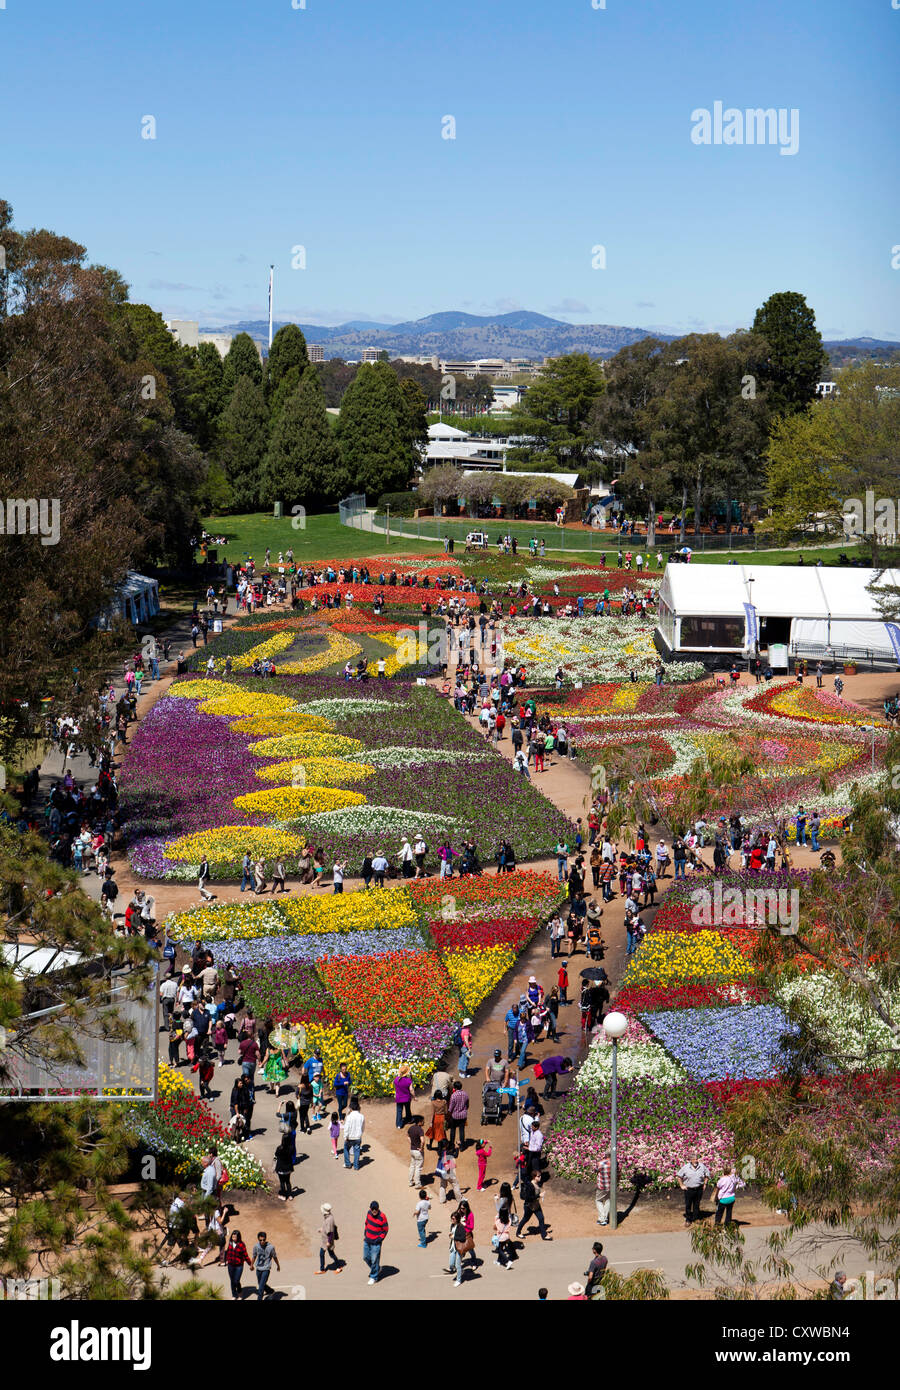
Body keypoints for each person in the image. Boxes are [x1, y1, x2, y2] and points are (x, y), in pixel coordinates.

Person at [515, 1172, 551, 1241]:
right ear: (534, 1177)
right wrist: (539, 1195)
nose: (540, 1177)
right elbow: (529, 1198)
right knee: (525, 1219)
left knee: (541, 1218)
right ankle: (518, 1232)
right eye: (538, 1176)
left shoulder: (537, 1184)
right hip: (529, 1206)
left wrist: (540, 1195)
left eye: (540, 1176)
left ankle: (544, 1235)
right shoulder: (530, 1186)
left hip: (536, 1205)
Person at [677, 1154, 710, 1226]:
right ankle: (688, 1219)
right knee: (688, 1205)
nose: (696, 1161)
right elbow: (679, 1176)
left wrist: (705, 1184)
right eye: (694, 1159)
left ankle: (696, 1218)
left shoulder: (702, 1166)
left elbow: (707, 1174)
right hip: (689, 1189)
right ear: (690, 1160)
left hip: (699, 1189)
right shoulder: (685, 1168)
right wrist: (681, 1185)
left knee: (696, 1204)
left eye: (697, 1159)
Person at [363, 1201, 389, 1285]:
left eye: (375, 1209)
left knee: (374, 1260)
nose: (374, 1211)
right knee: (365, 1257)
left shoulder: (382, 1216)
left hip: (376, 1243)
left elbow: (385, 1229)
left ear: (378, 1209)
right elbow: (366, 1223)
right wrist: (365, 1233)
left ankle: (374, 1277)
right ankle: (377, 1269)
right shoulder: (368, 1213)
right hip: (367, 1240)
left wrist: (379, 1239)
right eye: (372, 1209)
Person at [251, 1231, 280, 1300]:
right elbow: (254, 1256)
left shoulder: (271, 1247)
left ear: (266, 1239)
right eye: (260, 1240)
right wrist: (251, 1265)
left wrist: (278, 1265)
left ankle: (259, 1298)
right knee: (260, 1283)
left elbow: (274, 1257)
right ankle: (270, 1291)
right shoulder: (256, 1246)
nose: (262, 1241)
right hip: (258, 1268)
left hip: (266, 1269)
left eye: (264, 1240)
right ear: (258, 1239)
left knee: (261, 1287)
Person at [224, 1229, 251, 1299]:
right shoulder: (230, 1242)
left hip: (239, 1266)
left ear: (238, 1237)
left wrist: (250, 1264)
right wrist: (226, 1260)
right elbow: (228, 1252)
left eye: (235, 1237)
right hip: (230, 1265)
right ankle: (234, 1295)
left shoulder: (242, 1245)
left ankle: (239, 1292)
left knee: (236, 1280)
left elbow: (245, 1255)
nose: (233, 1239)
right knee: (232, 1280)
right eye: (232, 1237)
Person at [316, 1203, 342, 1274]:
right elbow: (327, 1227)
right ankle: (322, 1269)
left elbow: (330, 1232)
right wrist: (322, 1229)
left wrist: (329, 1242)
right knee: (323, 1254)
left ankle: (339, 1267)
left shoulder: (329, 1219)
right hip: (325, 1240)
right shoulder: (328, 1216)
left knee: (331, 1254)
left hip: (327, 1241)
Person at [343, 1098, 365, 1170]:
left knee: (346, 1148)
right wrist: (360, 1134)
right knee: (357, 1151)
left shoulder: (349, 1117)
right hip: (358, 1137)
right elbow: (363, 1127)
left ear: (351, 1108)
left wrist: (345, 1136)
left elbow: (346, 1128)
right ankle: (356, 1166)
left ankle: (348, 1164)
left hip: (350, 1137)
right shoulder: (362, 1116)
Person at [447, 1080, 469, 1150]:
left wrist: (448, 1114)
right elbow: (467, 1105)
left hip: (455, 1116)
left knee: (453, 1130)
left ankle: (451, 1145)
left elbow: (450, 1108)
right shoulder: (465, 1094)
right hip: (463, 1116)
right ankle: (462, 1146)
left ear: (455, 1088)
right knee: (461, 1130)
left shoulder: (453, 1095)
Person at [394, 1064, 415, 1128]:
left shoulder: (396, 1079)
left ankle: (399, 1124)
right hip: (406, 1098)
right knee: (407, 1109)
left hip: (399, 1098)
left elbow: (396, 1087)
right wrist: (414, 1097)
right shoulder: (409, 1080)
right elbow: (411, 1090)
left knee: (399, 1111)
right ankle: (409, 1119)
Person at [407, 1117, 425, 1188]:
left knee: (412, 1166)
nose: (424, 1122)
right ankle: (417, 1184)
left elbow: (408, 1137)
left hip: (412, 1150)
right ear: (419, 1122)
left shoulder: (411, 1128)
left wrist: (412, 1143)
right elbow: (423, 1141)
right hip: (418, 1151)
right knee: (418, 1167)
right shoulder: (420, 1130)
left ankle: (410, 1182)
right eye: (423, 1121)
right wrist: (421, 1148)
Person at [596, 1156, 611, 1225]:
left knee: (598, 1200)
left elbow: (595, 1170)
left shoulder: (600, 1163)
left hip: (602, 1185)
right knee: (608, 1200)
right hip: (611, 1186)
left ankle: (602, 1218)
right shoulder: (615, 1163)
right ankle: (605, 1218)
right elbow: (618, 1174)